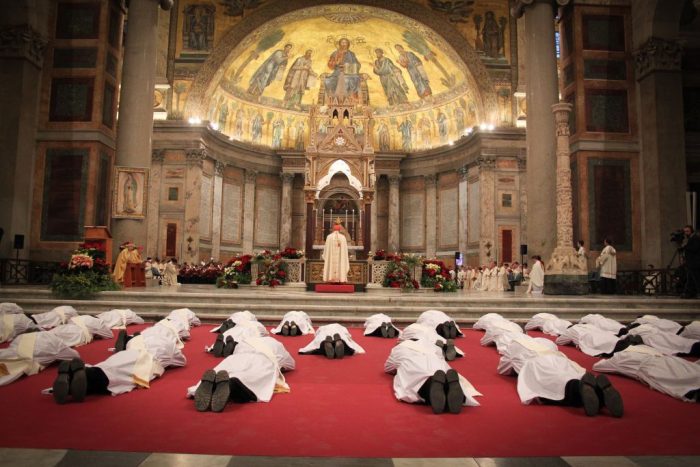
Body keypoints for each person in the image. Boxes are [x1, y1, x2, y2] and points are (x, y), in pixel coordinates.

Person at [189, 335, 295, 412]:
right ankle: (231, 385)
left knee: (225, 370)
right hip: (263, 359)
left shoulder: (245, 341)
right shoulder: (275, 343)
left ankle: (212, 385)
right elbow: (291, 364)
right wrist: (281, 366)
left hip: (236, 357)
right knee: (251, 380)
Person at [384, 338, 481, 414]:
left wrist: (395, 370)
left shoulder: (399, 348)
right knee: (440, 371)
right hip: (436, 362)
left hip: (413, 364)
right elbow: (440, 356)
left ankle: (432, 384)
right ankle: (449, 387)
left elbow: (388, 367)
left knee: (417, 381)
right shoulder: (431, 346)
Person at [593, 344, 700, 403]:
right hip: (670, 360)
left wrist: (605, 358)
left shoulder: (619, 357)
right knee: (689, 372)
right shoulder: (645, 347)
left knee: (677, 380)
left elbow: (597, 367)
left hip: (652, 368)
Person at [0, 331, 79, 386]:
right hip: (22, 362)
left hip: (8, 353)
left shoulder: (21, 336)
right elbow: (75, 356)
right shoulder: (51, 340)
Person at [299, 323, 365, 359]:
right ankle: (339, 341)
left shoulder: (322, 327)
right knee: (346, 343)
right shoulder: (340, 326)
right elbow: (348, 335)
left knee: (319, 344)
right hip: (339, 332)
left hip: (324, 332)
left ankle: (326, 342)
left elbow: (316, 335)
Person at [681, 225, 700, 299]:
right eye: (685, 231)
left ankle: (692, 293)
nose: (686, 233)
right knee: (690, 279)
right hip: (691, 263)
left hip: (695, 263)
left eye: (687, 231)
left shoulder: (695, 238)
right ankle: (688, 293)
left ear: (691, 231)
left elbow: (695, 248)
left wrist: (685, 246)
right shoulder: (690, 239)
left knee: (696, 279)